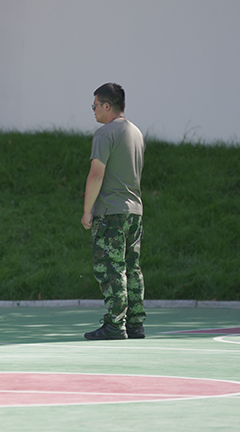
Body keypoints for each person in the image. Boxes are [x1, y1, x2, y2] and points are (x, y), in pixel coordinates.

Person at [81, 83, 146, 341]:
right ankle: (135, 324)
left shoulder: (104, 134)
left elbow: (96, 174)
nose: (93, 110)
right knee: (132, 268)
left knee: (111, 268)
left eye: (95, 105)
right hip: (135, 211)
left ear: (107, 106)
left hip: (111, 212)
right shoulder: (136, 133)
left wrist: (87, 211)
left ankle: (116, 324)